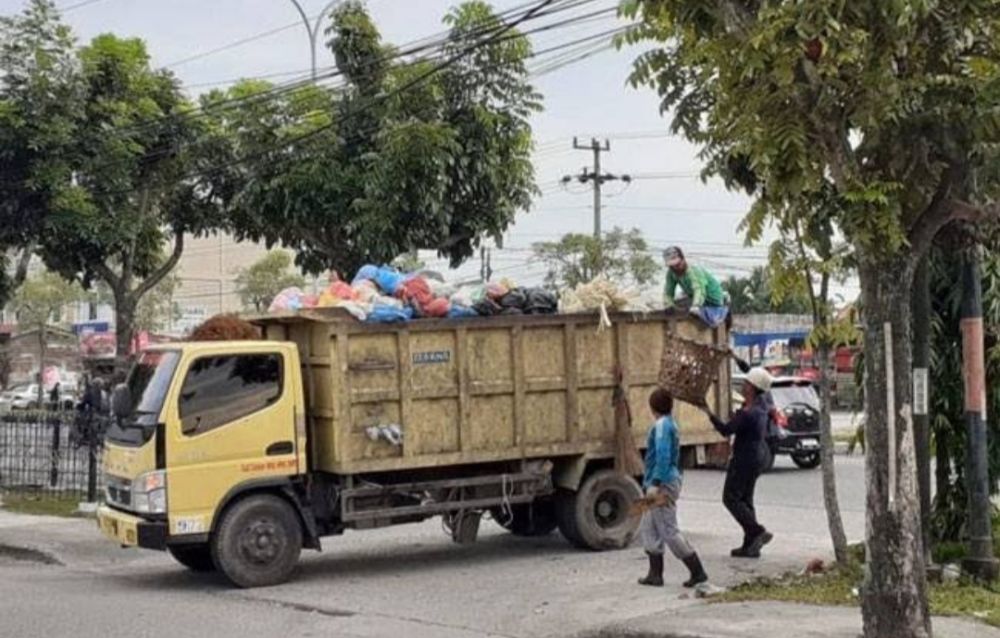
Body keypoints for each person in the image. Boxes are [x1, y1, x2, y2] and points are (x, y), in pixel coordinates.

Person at [638, 388, 709, 588]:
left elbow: (662, 456)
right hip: (663, 481)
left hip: (661, 484)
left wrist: (655, 483)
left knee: (668, 530)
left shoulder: (661, 426)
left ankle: (697, 571)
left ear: (652, 407)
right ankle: (655, 574)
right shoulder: (670, 423)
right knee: (649, 526)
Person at [704, 367, 774, 558]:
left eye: (746, 384)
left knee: (731, 498)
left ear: (752, 388)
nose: (743, 387)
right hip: (758, 457)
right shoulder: (762, 406)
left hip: (743, 459)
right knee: (745, 500)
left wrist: (709, 413)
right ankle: (750, 545)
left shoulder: (748, 413)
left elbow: (726, 430)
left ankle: (757, 531)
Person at [662, 246, 729, 327]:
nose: (676, 268)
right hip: (693, 297)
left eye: (677, 264)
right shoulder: (672, 273)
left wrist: (696, 305)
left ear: (683, 259)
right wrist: (668, 305)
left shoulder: (693, 270)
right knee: (678, 304)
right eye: (672, 266)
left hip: (713, 301)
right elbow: (668, 291)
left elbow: (699, 290)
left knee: (694, 310)